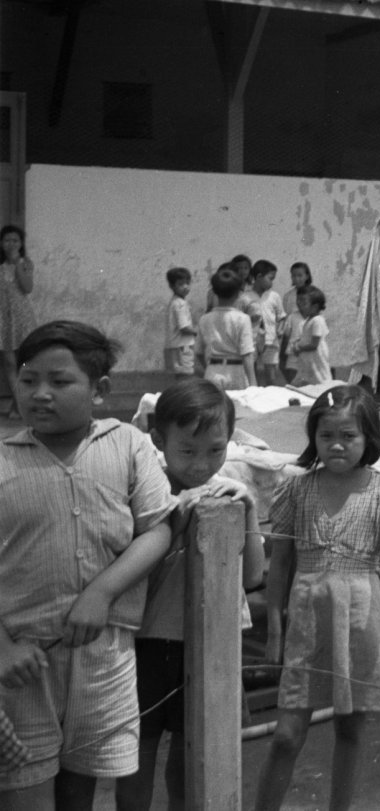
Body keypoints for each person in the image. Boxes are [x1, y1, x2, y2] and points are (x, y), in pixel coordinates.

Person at [0, 321, 174, 811]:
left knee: (82, 786)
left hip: (104, 654)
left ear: (99, 390)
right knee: (24, 790)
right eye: (28, 379)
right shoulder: (4, 459)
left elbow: (157, 528)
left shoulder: (128, 445)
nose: (40, 393)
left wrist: (102, 592)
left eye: (59, 381)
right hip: (21, 663)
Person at [254, 386, 380, 811]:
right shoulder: (296, 489)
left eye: (348, 436)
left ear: (368, 438)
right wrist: (275, 629)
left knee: (351, 729)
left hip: (361, 616)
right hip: (308, 618)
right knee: (287, 735)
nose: (337, 445)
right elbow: (280, 564)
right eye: (326, 436)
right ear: (314, 438)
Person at [114, 378, 265, 811]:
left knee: (194, 755)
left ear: (230, 440)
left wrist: (249, 509)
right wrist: (174, 522)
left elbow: (252, 576)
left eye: (216, 450)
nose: (202, 465)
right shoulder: (145, 493)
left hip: (214, 643)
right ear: (158, 440)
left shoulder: (230, 491)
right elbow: (135, 577)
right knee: (136, 756)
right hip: (148, 642)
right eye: (187, 451)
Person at [196, 266, 258, 391]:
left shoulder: (204, 319)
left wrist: (210, 368)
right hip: (236, 372)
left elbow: (198, 352)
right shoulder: (242, 319)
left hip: (212, 370)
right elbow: (246, 354)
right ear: (238, 293)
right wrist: (253, 383)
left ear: (215, 292)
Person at [0, 225, 37, 419]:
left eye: (15, 240)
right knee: (8, 362)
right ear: (1, 243)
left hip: (21, 317)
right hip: (2, 318)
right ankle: (21, 405)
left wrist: (17, 264)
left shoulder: (25, 263)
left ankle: (18, 405)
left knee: (25, 361)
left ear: (21, 243)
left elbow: (27, 287)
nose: (11, 244)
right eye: (7, 240)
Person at [248, 261, 285, 386]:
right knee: (252, 373)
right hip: (251, 341)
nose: (272, 283)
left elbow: (281, 317)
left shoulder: (274, 296)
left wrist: (280, 329)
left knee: (271, 376)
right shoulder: (245, 297)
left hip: (270, 340)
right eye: (270, 278)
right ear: (259, 277)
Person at [290, 285, 332, 386]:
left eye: (304, 303)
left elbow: (314, 344)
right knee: (306, 379)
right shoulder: (308, 320)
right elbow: (306, 338)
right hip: (308, 358)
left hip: (315, 357)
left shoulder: (317, 321)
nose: (300, 306)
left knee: (319, 379)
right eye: (298, 302)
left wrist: (299, 347)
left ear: (315, 307)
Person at [280, 262, 312, 383]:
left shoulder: (313, 293)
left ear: (307, 276)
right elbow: (286, 319)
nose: (296, 279)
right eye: (293, 276)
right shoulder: (288, 296)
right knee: (290, 371)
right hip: (293, 339)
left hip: (308, 339)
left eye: (300, 275)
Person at [163, 267, 198, 379]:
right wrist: (198, 332)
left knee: (180, 374)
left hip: (176, 346)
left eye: (187, 283)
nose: (185, 287)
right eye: (181, 284)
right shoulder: (180, 304)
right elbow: (184, 327)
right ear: (172, 286)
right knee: (186, 375)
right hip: (183, 347)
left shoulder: (175, 301)